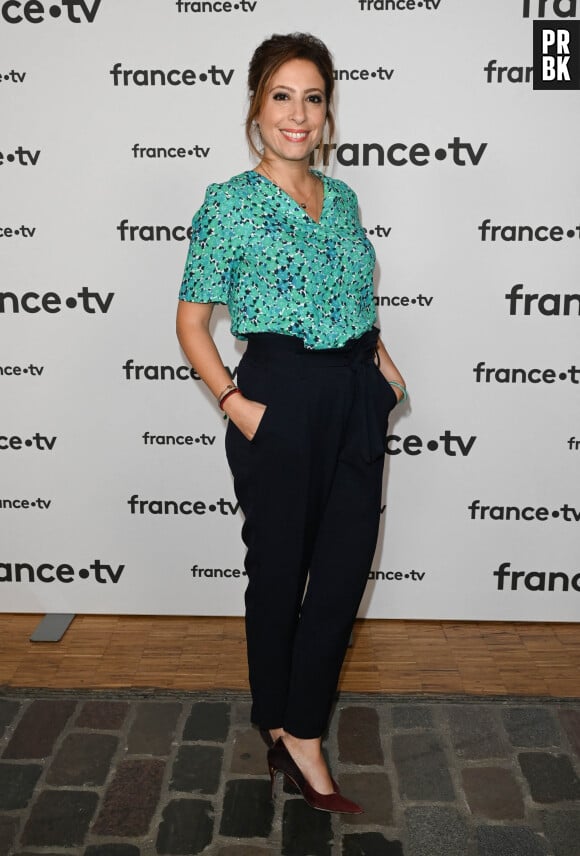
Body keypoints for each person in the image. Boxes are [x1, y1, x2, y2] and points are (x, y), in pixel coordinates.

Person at [176, 32, 406, 814]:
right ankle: (282, 723)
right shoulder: (229, 203)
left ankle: (298, 728)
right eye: (282, 96)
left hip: (354, 390)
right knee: (278, 575)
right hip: (277, 393)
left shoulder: (341, 199)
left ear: (327, 110)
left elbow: (356, 297)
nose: (298, 114)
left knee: (342, 573)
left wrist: (384, 368)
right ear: (255, 107)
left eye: (312, 97)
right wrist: (235, 405)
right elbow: (192, 324)